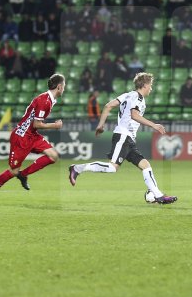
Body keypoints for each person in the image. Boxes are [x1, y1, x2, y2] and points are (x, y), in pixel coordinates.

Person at [67, 72, 178, 205]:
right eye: (150, 85)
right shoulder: (137, 97)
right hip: (123, 136)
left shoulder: (127, 95)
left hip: (128, 138)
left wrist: (101, 125)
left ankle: (158, 195)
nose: (151, 88)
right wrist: (154, 125)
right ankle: (77, 168)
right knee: (113, 168)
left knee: (145, 165)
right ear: (144, 85)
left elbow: (108, 106)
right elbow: (134, 115)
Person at [0, 74, 66, 205]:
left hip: (32, 135)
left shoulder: (49, 99)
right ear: (59, 87)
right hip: (21, 137)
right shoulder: (45, 101)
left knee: (53, 156)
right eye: (64, 86)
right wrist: (55, 125)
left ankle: (24, 174)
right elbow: (36, 124)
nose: (64, 89)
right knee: (13, 171)